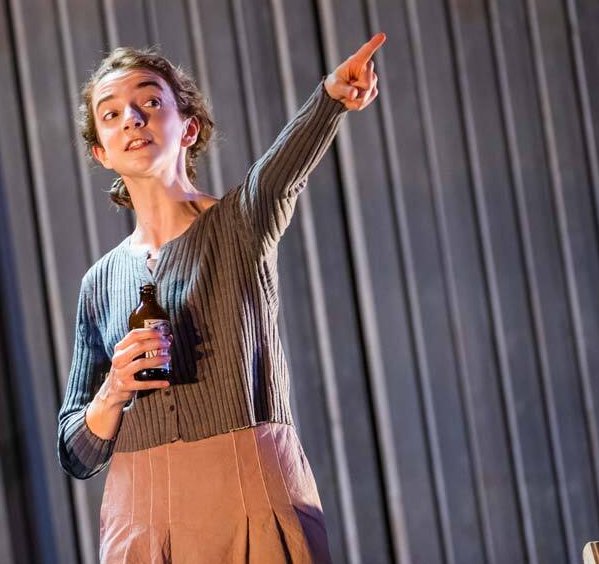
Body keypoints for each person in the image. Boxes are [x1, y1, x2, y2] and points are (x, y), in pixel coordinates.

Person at [57, 34, 385, 563]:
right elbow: (76, 453)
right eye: (112, 114)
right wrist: (114, 390)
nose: (133, 119)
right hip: (137, 511)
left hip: (248, 485)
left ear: (188, 128)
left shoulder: (242, 221)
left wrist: (329, 98)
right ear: (100, 151)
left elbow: (281, 173)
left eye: (150, 102)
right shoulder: (99, 282)